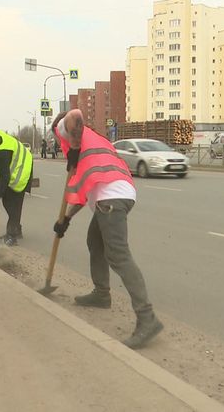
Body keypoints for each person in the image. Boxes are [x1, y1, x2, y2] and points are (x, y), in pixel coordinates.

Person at [50, 109, 163, 349]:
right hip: (116, 195)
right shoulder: (96, 139)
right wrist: (66, 219)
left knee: (119, 256)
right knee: (95, 241)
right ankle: (101, 294)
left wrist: (73, 144)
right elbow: (84, 190)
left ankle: (147, 318)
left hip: (111, 199)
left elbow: (76, 115)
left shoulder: (67, 130)